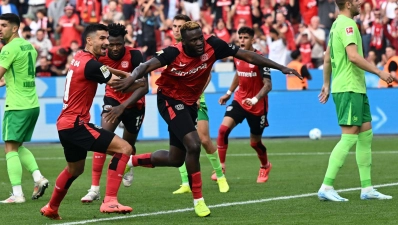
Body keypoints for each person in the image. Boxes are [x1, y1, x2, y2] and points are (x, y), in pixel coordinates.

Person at [111, 21, 301, 217]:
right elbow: (145, 66)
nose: (199, 43)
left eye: (200, 37)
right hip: (169, 99)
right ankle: (199, 201)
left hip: (191, 103)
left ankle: (131, 161)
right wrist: (131, 79)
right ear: (183, 42)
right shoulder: (173, 52)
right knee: (194, 144)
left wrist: (280, 67)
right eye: (193, 40)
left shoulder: (213, 45)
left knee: (175, 158)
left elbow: (248, 55)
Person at [40, 24, 144, 220]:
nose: (106, 43)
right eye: (102, 39)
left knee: (75, 169)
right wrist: (138, 80)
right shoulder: (92, 65)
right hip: (77, 124)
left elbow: (105, 69)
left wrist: (125, 74)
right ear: (89, 40)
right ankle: (110, 201)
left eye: (107, 39)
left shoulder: (80, 58)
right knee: (125, 148)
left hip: (65, 124)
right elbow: (116, 83)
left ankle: (51, 207)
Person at [317, 0, 394, 202]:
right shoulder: (348, 25)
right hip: (349, 87)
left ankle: (367, 188)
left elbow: (327, 58)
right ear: (349, 3)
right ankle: (326, 185)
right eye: (357, 0)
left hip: (355, 88)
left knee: (365, 134)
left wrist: (326, 83)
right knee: (349, 137)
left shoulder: (336, 25)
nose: (361, 2)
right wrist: (379, 72)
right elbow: (352, 56)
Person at [80, 23, 147, 203]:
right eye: (112, 44)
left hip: (134, 104)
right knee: (103, 138)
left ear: (124, 41)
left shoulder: (135, 55)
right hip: (112, 100)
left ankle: (128, 163)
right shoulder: (100, 57)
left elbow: (144, 87)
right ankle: (94, 189)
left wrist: (123, 106)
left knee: (128, 147)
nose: (116, 48)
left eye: (119, 44)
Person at [168, 14, 229, 194]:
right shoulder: (170, 52)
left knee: (203, 139)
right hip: (177, 102)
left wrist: (196, 93)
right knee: (179, 141)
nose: (177, 29)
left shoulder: (199, 50)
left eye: (180, 26)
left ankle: (220, 176)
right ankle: (185, 183)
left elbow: (207, 73)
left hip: (196, 100)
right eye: (174, 26)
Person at [0, 13, 49, 204]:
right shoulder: (29, 46)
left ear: (14, 28)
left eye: (3, 25)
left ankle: (17, 194)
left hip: (17, 105)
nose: (0, 28)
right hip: (32, 104)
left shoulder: (8, 49)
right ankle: (38, 178)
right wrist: (6, 82)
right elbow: (18, 72)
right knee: (18, 145)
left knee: (10, 148)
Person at [215, 26, 273, 184]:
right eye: (240, 37)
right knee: (222, 130)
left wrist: (254, 99)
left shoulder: (261, 59)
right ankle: (220, 167)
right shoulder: (237, 55)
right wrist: (228, 92)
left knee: (254, 143)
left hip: (257, 106)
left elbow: (268, 85)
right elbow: (239, 74)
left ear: (253, 40)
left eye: (245, 38)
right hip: (240, 100)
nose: (242, 40)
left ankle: (265, 166)